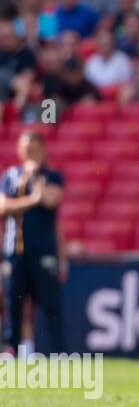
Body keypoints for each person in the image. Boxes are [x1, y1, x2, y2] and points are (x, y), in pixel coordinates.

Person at [0, 131, 66, 356]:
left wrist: (35, 181)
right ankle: (13, 350)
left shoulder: (52, 176)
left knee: (50, 305)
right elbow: (3, 207)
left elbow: (50, 200)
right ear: (19, 150)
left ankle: (59, 353)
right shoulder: (9, 176)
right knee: (13, 305)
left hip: (43, 252)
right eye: (26, 148)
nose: (30, 152)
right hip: (15, 251)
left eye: (34, 147)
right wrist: (32, 199)